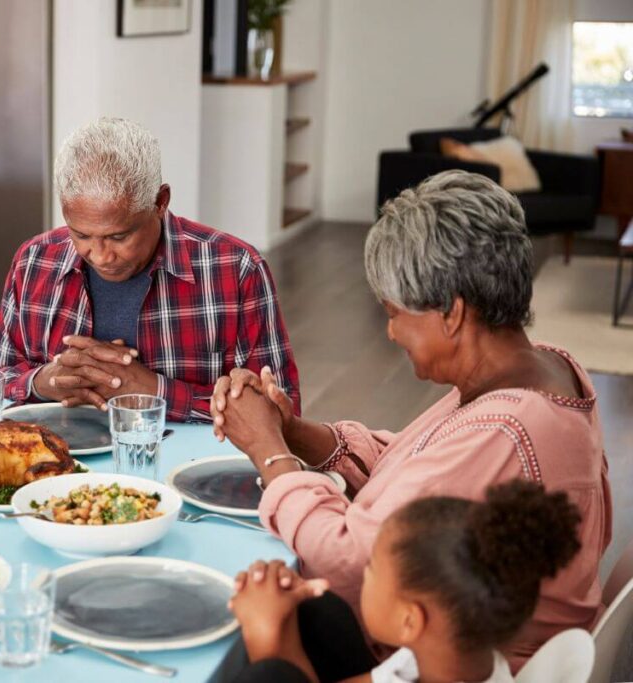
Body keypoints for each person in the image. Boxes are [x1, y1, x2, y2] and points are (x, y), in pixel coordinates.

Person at [210, 170, 611, 670]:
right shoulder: (537, 365)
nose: (391, 332)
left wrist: (269, 451)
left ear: (452, 314)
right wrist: (293, 431)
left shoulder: (510, 431)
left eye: (395, 313)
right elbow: (417, 463)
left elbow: (347, 564)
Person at [0, 117, 299, 422]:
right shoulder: (35, 260)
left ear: (160, 202)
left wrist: (154, 390)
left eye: (119, 236)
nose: (101, 256)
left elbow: (279, 410)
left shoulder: (236, 269)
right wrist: (42, 381)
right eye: (81, 235)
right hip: (53, 465)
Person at [226, 481, 582, 683]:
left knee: (268, 677)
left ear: (410, 620)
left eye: (373, 570)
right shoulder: (456, 660)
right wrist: (281, 619)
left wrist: (264, 633)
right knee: (319, 611)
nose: (364, 574)